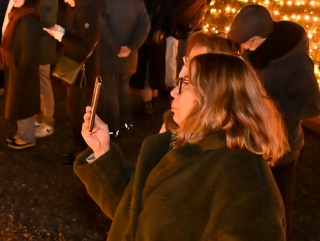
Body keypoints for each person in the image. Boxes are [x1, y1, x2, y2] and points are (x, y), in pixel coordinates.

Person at [74, 52, 288, 241]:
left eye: (185, 83)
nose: (174, 92)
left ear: (214, 94)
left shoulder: (245, 178)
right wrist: (102, 151)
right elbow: (133, 212)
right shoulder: (183, 144)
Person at [227, 5, 320, 240]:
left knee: (279, 206)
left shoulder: (296, 61)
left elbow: (312, 106)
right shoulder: (253, 53)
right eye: (243, 43)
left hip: (281, 148)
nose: (246, 47)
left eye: (250, 41)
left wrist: (268, 104)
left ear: (265, 35)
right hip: (252, 143)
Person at [46, 0, 107, 165]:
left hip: (83, 71)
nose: (65, 0)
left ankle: (83, 150)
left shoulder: (87, 11)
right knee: (76, 110)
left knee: (77, 111)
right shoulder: (84, 6)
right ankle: (80, 148)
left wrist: (60, 36)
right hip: (81, 69)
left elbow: (82, 47)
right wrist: (62, 32)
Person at [98, 0, 150, 133]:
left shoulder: (103, 1)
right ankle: (127, 122)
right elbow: (144, 27)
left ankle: (113, 127)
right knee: (124, 87)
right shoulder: (136, 1)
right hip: (129, 56)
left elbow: (103, 29)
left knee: (110, 91)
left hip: (108, 56)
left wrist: (115, 48)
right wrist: (131, 47)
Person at [2, 0, 42, 150]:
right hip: (16, 66)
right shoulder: (18, 14)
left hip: (23, 70)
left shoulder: (28, 19)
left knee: (23, 102)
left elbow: (29, 48)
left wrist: (21, 69)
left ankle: (27, 137)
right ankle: (22, 133)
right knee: (17, 102)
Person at [25, 0, 59, 139]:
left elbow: (48, 22)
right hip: (36, 45)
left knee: (44, 85)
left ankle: (48, 122)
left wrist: (29, 28)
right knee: (37, 84)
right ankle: (39, 116)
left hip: (42, 47)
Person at [130, 0, 172, 115]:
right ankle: (153, 101)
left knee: (144, 74)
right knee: (155, 72)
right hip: (157, 42)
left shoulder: (137, 0)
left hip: (142, 42)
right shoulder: (164, 0)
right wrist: (163, 33)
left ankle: (148, 106)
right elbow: (171, 21)